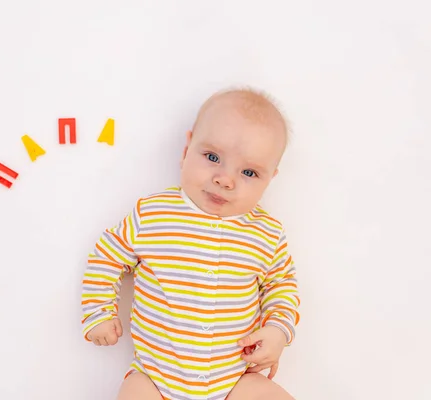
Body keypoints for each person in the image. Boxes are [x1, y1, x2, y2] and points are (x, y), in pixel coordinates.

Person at [81, 87, 300, 400]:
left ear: (270, 179)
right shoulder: (154, 214)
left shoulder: (266, 233)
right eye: (212, 157)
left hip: (235, 380)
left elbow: (283, 286)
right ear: (187, 149)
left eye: (249, 172)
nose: (225, 180)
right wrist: (99, 313)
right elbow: (106, 257)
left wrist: (279, 330)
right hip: (154, 377)